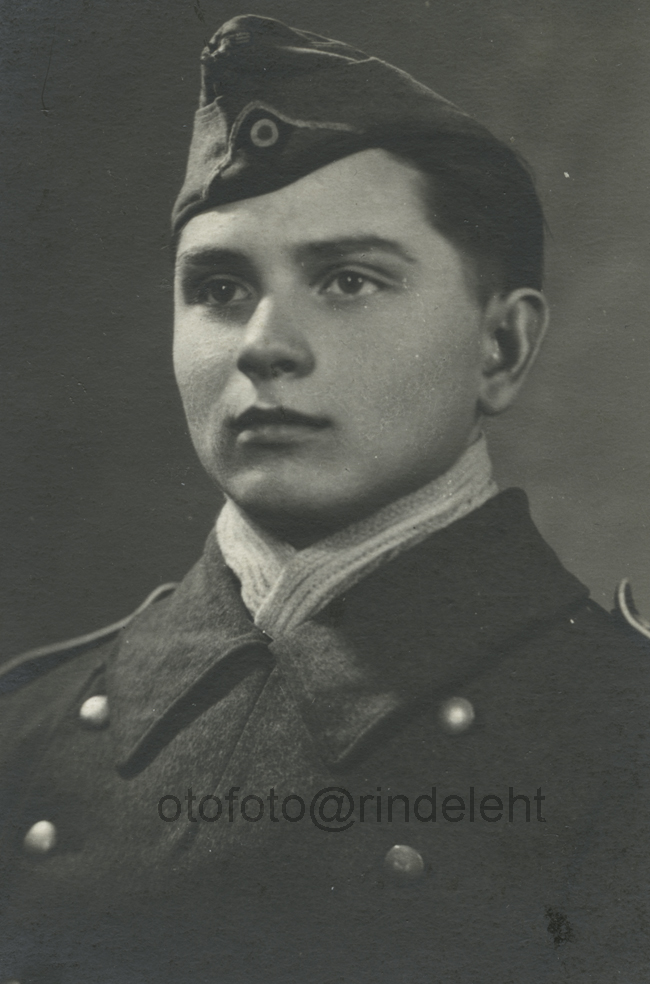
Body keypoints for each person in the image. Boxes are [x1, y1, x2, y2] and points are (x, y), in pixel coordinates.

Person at [1, 14, 648, 983]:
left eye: (347, 280)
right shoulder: (27, 728)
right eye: (219, 288)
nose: (264, 344)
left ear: (501, 347)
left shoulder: (622, 730)